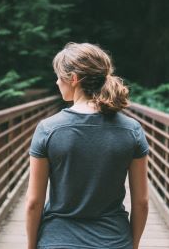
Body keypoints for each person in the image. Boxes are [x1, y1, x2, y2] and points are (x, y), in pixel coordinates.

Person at [25, 42, 150, 249]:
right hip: (114, 241)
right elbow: (142, 202)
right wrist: (132, 245)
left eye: (59, 76)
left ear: (73, 79)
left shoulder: (48, 129)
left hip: (58, 241)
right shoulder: (131, 130)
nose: (57, 82)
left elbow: (33, 203)